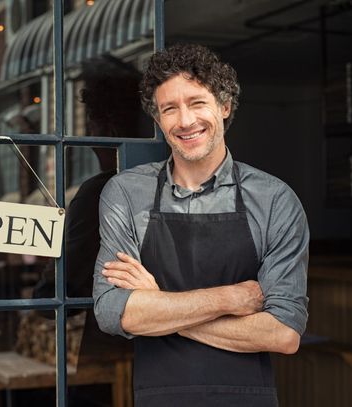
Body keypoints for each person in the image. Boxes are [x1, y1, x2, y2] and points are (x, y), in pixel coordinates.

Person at [92, 43, 309, 407]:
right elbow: (114, 312)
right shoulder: (127, 194)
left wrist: (156, 304)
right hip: (159, 397)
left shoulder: (273, 200)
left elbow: (283, 333)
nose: (186, 121)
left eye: (197, 103)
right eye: (169, 109)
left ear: (224, 107)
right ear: (158, 120)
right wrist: (231, 298)